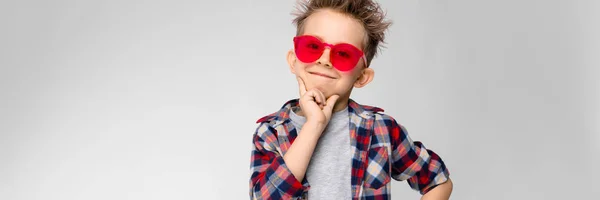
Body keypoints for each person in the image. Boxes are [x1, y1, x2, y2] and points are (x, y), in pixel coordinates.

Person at [249, 0, 452, 199]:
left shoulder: (381, 130)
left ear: (362, 77)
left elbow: (437, 181)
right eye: (312, 46)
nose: (324, 60)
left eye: (343, 54)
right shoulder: (271, 133)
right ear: (294, 61)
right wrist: (314, 126)